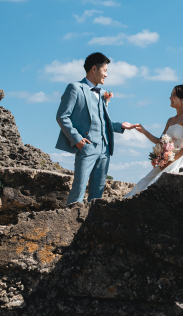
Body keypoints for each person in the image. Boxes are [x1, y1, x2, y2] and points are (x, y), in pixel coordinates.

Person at [55, 52, 135, 204]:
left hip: (105, 149)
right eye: (105, 70)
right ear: (94, 69)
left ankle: (90, 227)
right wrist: (77, 140)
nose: (106, 75)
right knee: (78, 191)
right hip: (86, 147)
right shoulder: (75, 88)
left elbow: (102, 121)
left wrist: (120, 126)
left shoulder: (103, 93)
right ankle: (70, 226)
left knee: (97, 196)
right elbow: (62, 117)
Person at [125, 84, 183, 198]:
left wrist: (171, 161)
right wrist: (144, 132)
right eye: (171, 95)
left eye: (174, 95)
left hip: (181, 156)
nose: (170, 98)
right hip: (168, 158)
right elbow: (160, 142)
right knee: (143, 184)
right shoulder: (170, 120)